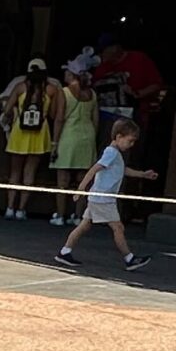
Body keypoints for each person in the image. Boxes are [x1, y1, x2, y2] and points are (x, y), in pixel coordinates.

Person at [56, 118, 157, 272]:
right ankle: (129, 258)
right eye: (130, 141)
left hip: (99, 197)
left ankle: (65, 252)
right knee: (118, 227)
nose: (132, 145)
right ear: (118, 137)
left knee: (84, 226)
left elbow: (123, 170)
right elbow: (95, 168)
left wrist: (143, 174)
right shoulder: (111, 152)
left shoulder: (115, 154)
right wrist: (81, 188)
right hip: (103, 198)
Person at [0, 58, 62, 220]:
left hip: (20, 130)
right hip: (40, 132)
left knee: (15, 171)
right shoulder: (52, 90)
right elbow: (54, 114)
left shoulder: (20, 87)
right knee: (30, 171)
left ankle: (10, 207)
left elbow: (7, 109)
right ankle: (21, 209)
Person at [49, 57, 100, 225]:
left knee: (62, 181)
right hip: (87, 136)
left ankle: (59, 215)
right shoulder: (92, 94)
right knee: (83, 180)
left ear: (72, 74)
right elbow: (95, 120)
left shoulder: (64, 92)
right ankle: (77, 216)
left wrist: (54, 143)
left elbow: (59, 118)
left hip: (68, 136)